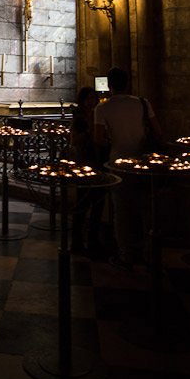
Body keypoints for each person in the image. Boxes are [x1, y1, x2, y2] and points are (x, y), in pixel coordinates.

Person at [94, 66, 161, 269]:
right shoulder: (142, 103)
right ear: (128, 83)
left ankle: (126, 255)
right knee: (145, 209)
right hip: (144, 164)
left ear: (109, 84)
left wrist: (114, 139)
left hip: (118, 163)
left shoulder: (102, 107)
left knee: (122, 211)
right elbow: (157, 131)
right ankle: (149, 253)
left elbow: (99, 140)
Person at [69, 86, 106, 255]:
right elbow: (74, 140)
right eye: (89, 99)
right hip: (85, 163)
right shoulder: (79, 118)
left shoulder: (99, 114)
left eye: (94, 98)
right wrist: (90, 132)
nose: (92, 101)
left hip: (99, 162)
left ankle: (93, 239)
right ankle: (77, 241)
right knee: (82, 203)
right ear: (83, 101)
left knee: (98, 203)